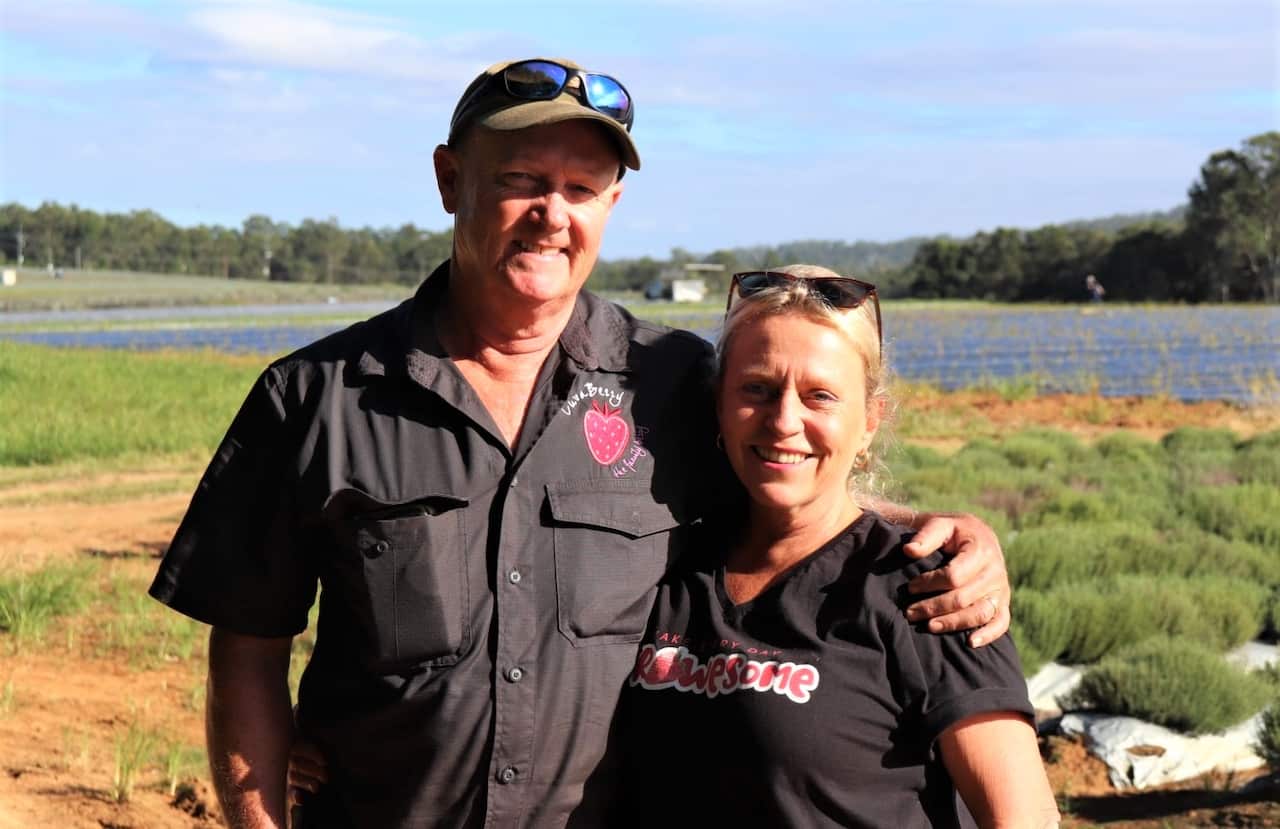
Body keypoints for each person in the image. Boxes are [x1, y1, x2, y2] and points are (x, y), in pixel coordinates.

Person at [149, 57, 1012, 828]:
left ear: (613, 204)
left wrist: (944, 533)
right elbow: (248, 648)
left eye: (581, 187)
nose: (551, 215)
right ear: (452, 181)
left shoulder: (672, 383)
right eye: (521, 178)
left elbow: (791, 468)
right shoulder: (317, 396)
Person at [619, 266, 1059, 827]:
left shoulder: (930, 589)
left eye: (819, 396)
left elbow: (1023, 817)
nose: (784, 421)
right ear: (718, 405)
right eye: (757, 388)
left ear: (870, 422)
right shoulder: (668, 559)